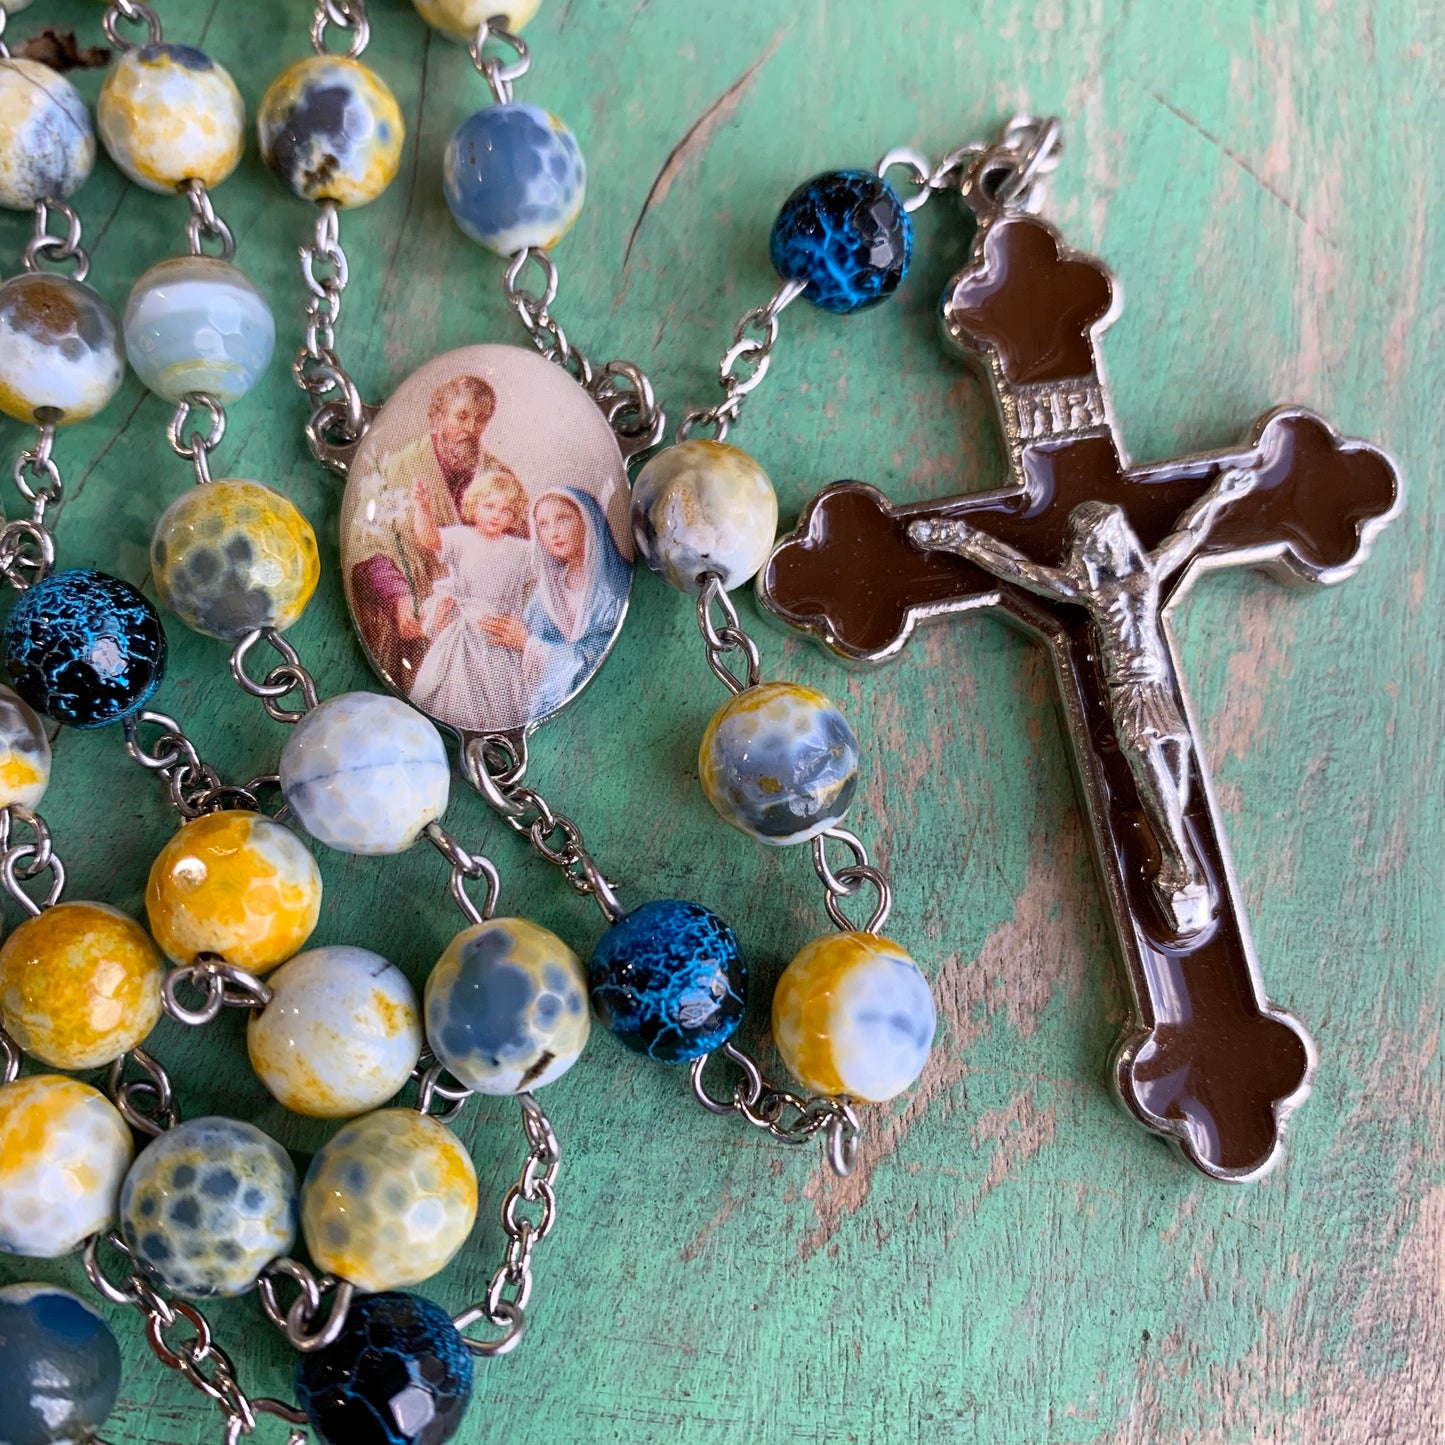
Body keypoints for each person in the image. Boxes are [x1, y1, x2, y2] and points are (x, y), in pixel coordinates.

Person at [909, 466, 1255, 937]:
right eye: (1099, 539)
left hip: (1158, 690)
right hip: (1128, 691)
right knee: (1147, 757)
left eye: (1112, 533)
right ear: (1089, 548)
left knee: (1173, 783)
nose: (1109, 544)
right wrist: (960, 539)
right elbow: (1016, 568)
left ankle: (1178, 863)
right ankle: (1182, 871)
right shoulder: (1087, 590)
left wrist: (1219, 492)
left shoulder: (1146, 575)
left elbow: (1188, 534)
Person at [484, 488, 632, 722]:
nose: (554, 533)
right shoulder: (543, 597)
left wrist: (528, 644)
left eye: (563, 519)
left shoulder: (617, 585)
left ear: (586, 519)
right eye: (543, 525)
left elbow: (601, 655)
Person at [407, 468, 535, 732]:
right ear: (474, 505)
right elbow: (429, 538)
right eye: (489, 507)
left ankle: (492, 731)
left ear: (513, 516)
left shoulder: (520, 550)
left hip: (498, 633)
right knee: (456, 686)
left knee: (498, 692)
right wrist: (422, 508)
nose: (496, 515)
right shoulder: (461, 537)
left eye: (505, 511)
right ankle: (451, 727)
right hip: (463, 631)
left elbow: (549, 563)